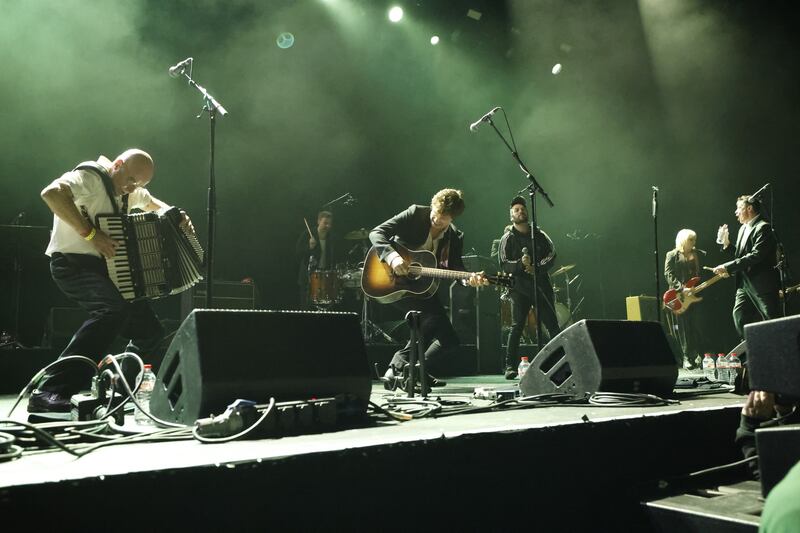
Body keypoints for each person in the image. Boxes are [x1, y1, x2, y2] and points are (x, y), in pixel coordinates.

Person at [31, 149, 193, 413]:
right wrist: (91, 233)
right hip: (72, 264)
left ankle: (122, 388)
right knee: (111, 310)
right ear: (116, 165)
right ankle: (49, 390)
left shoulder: (130, 189)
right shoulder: (90, 177)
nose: (132, 188)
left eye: (138, 184)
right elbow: (51, 193)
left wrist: (177, 215)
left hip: (106, 271)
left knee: (150, 332)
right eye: (130, 180)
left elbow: (154, 204)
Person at [369, 189, 486, 390]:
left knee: (450, 340)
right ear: (432, 205)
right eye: (435, 213)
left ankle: (414, 371)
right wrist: (393, 257)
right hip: (393, 281)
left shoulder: (454, 237)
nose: (436, 220)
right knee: (431, 319)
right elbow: (376, 232)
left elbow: (456, 269)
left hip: (421, 290)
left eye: (443, 218)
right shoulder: (415, 213)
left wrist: (468, 280)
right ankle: (400, 366)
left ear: (452, 218)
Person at [498, 196, 561, 379]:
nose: (520, 211)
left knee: (552, 324)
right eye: (516, 210)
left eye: (522, 209)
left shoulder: (540, 234)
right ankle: (509, 366)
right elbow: (503, 262)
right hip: (519, 288)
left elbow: (552, 254)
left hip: (541, 284)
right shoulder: (507, 238)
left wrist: (537, 269)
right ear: (511, 216)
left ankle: (560, 360)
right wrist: (519, 264)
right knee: (517, 326)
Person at [713, 196, 781, 340]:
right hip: (744, 284)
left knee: (772, 320)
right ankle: (753, 351)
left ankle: (780, 355)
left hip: (762, 284)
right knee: (740, 317)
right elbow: (742, 254)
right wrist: (727, 244)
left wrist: (727, 267)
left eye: (739, 208)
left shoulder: (763, 227)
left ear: (749, 208)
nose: (736, 212)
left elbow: (756, 255)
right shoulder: (743, 228)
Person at [664, 229, 704, 369]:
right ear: (683, 240)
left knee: (697, 325)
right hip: (679, 296)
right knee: (683, 327)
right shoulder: (672, 255)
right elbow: (668, 274)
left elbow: (700, 273)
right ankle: (687, 357)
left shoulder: (697, 254)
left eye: (694, 239)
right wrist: (681, 288)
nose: (693, 243)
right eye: (690, 240)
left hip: (694, 295)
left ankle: (700, 354)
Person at [295, 210, 337, 309]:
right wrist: (309, 247)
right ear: (318, 221)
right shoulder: (308, 234)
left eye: (330, 224)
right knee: (307, 307)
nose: (328, 226)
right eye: (325, 223)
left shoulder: (331, 237)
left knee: (325, 306)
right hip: (308, 275)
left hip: (324, 275)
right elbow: (298, 253)